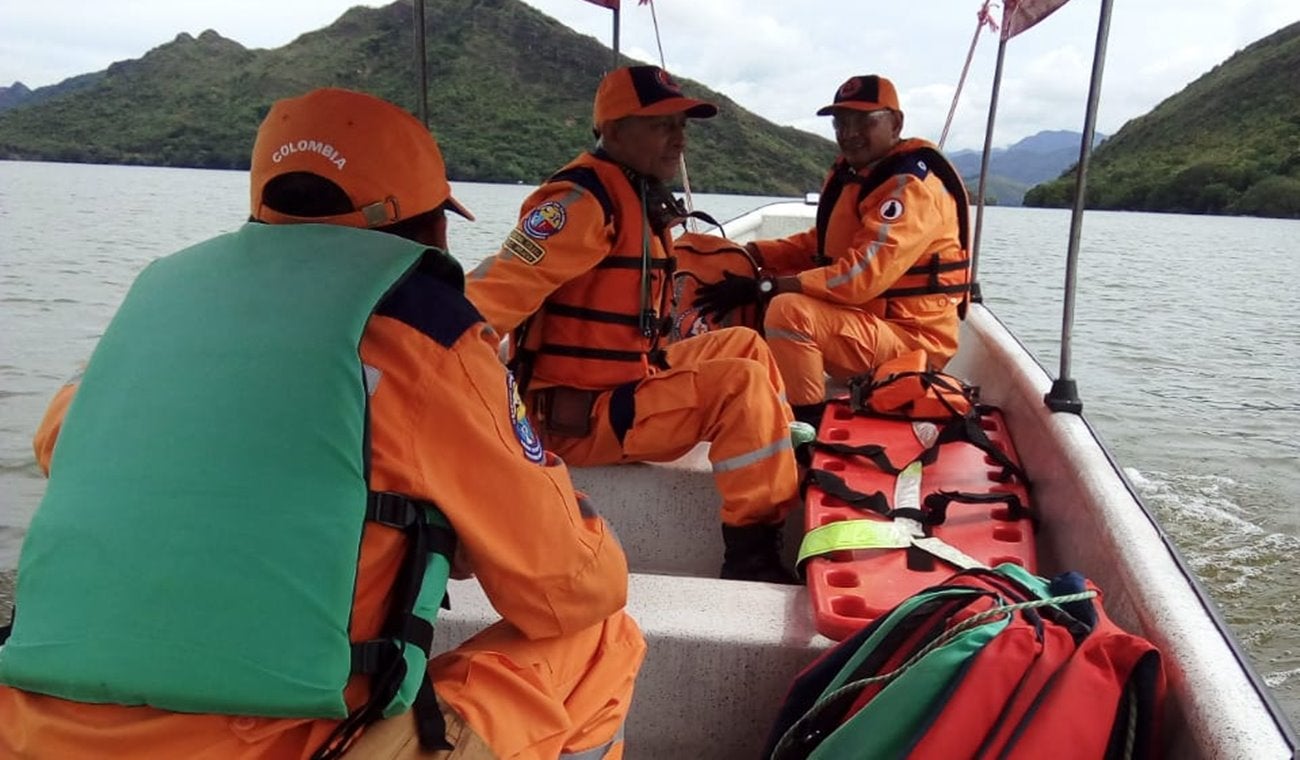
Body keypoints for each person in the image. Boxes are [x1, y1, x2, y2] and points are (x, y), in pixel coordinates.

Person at [0, 87, 644, 760]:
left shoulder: (153, 300)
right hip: (271, 745)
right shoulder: (425, 331)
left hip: (29, 734)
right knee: (598, 637)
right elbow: (567, 589)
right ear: (428, 226)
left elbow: (59, 442)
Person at [464, 66, 803, 585]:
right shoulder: (580, 206)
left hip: (625, 383)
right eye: (662, 125)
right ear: (614, 130)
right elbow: (490, 297)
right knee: (741, 384)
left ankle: (779, 460)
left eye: (682, 126)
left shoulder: (632, 192)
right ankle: (751, 554)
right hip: (578, 419)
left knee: (745, 344)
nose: (679, 139)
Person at [694, 74, 971, 431]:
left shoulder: (910, 189)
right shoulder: (858, 174)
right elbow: (819, 247)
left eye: (864, 121)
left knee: (789, 310)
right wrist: (750, 254)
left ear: (896, 123)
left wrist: (768, 286)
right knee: (767, 292)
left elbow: (860, 278)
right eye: (842, 122)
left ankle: (806, 428)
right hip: (869, 325)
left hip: (914, 344)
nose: (849, 132)